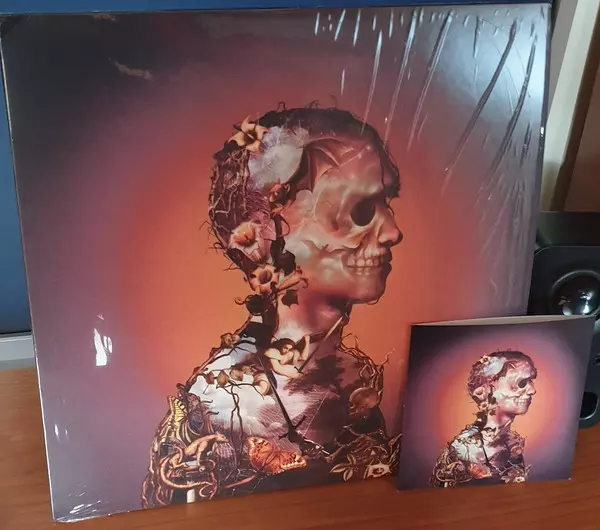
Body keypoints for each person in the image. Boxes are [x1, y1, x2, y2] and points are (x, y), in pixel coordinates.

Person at [142, 106, 403, 507]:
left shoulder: (353, 375)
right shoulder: (223, 407)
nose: (393, 232)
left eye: (387, 202)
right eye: (359, 211)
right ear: (265, 237)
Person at [431, 350, 537, 487]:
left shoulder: (509, 443)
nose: (532, 390)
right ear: (486, 391)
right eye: (521, 383)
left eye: (530, 380)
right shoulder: (466, 449)